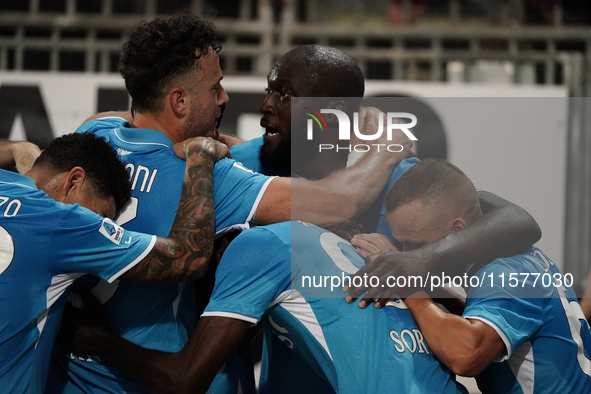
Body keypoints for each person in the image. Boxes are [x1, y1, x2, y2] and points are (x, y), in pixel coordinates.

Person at [51, 15, 414, 394]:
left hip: (67, 378)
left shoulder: (93, 136)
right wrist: (387, 150)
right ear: (179, 100)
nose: (224, 98)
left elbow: (127, 123)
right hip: (156, 378)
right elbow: (342, 201)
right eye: (216, 87)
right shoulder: (208, 177)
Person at [59, 221, 469, 394]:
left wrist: (95, 340)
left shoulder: (250, 250)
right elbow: (458, 300)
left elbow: (183, 380)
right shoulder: (331, 243)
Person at [0, 132, 228, 394]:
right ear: (74, 180)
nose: (101, 225)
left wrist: (19, 147)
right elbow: (188, 256)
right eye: (99, 216)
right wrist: (201, 154)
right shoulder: (62, 222)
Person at [355, 158, 591, 393]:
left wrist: (408, 288)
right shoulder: (514, 256)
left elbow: (467, 354)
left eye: (416, 245)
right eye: (402, 243)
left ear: (457, 229)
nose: (407, 257)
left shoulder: (504, 274)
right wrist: (430, 291)